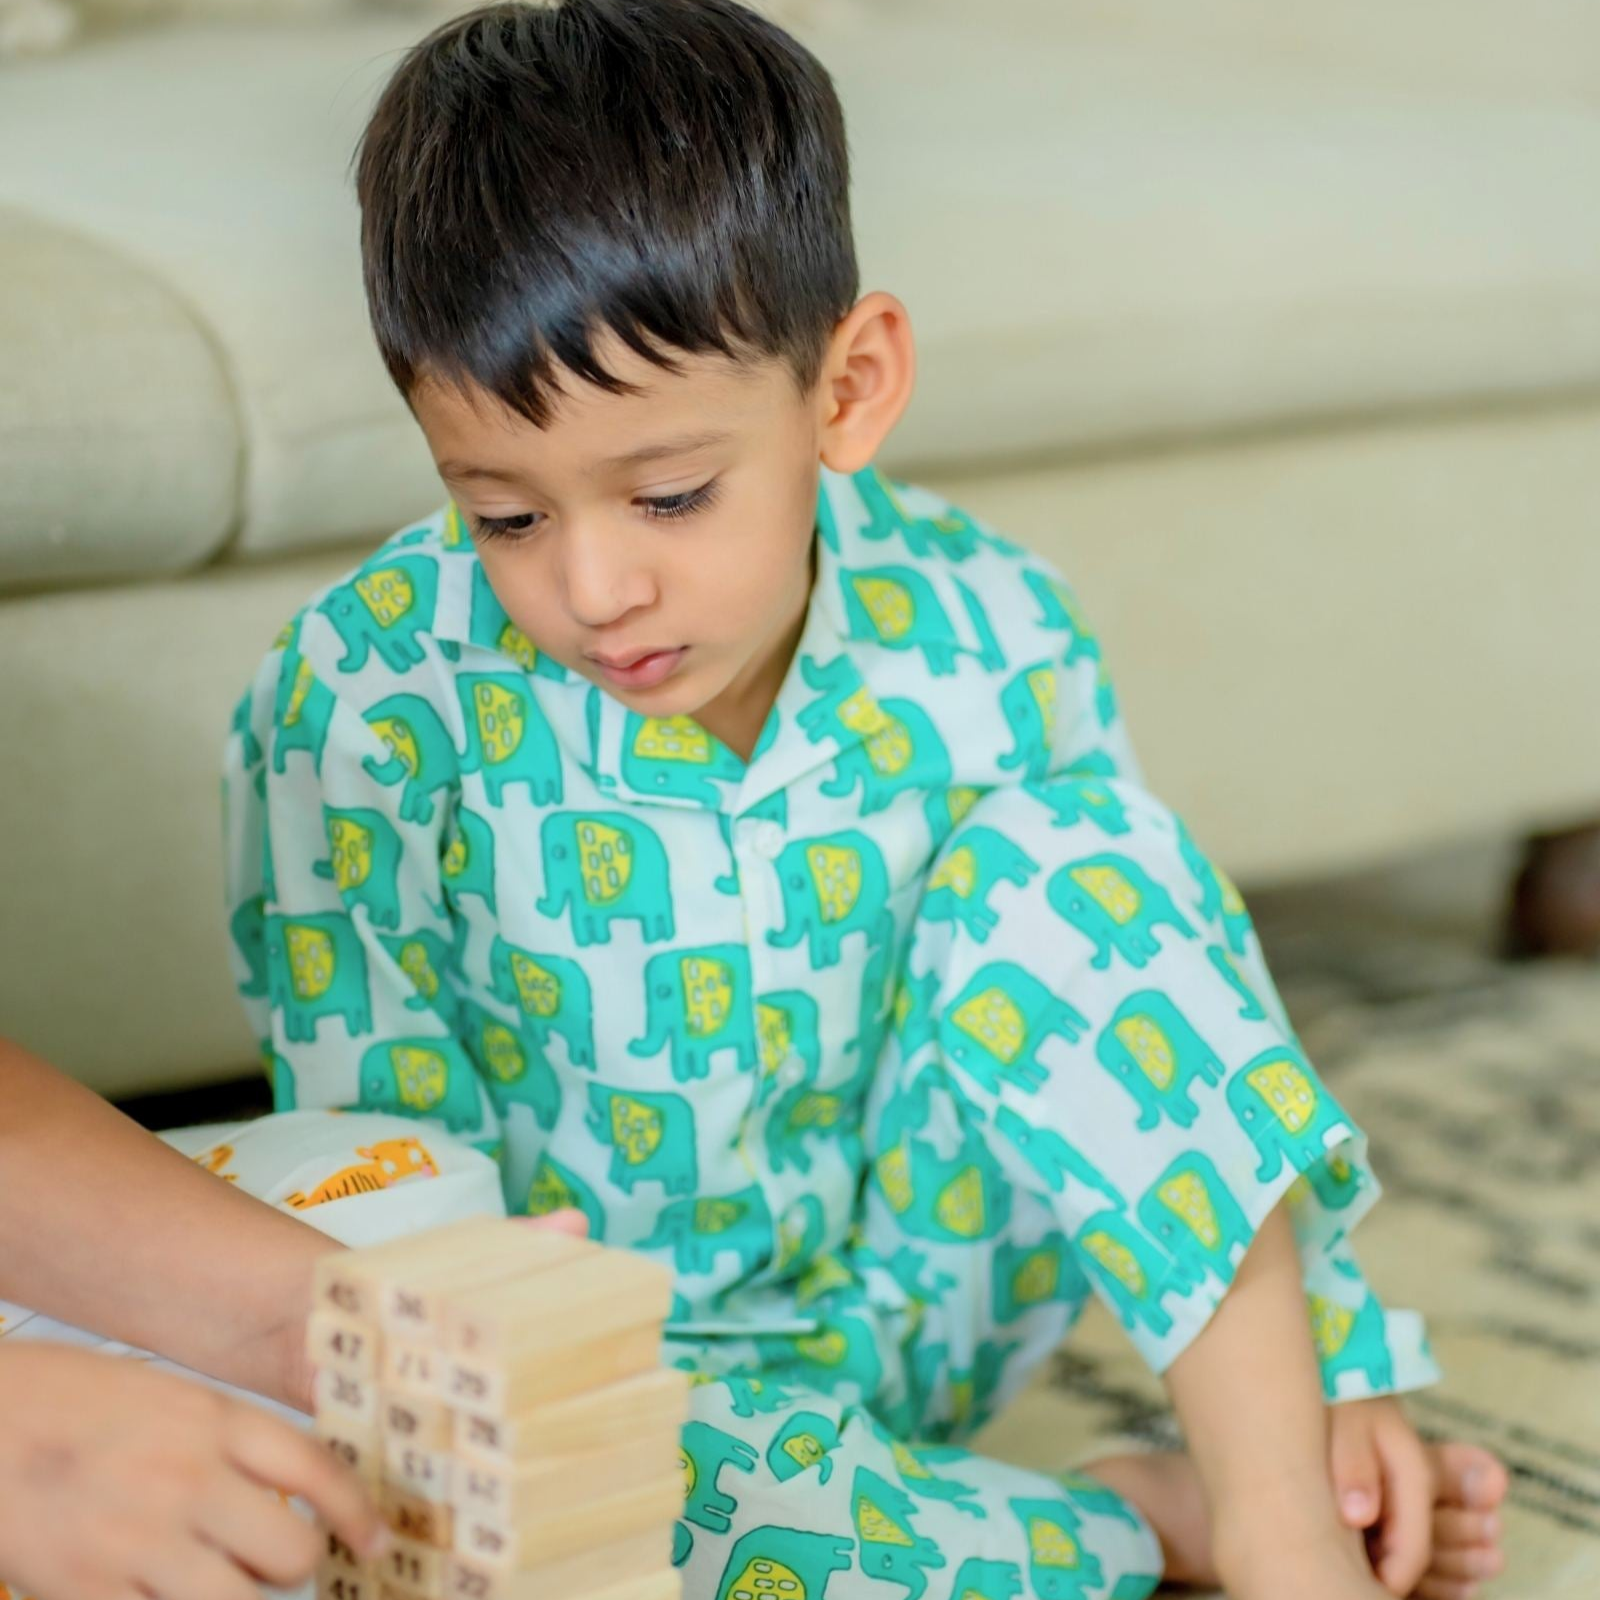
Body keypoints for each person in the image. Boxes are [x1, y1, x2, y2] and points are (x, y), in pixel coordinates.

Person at [214, 3, 1511, 1598]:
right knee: (612, 1538)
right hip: (627, 1381)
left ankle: (1271, 1492)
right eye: (502, 515)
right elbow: (384, 1185)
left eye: (670, 495)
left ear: (851, 388)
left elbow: (1163, 1014)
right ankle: (1130, 1528)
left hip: (923, 1284)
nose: (594, 585)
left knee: (1072, 860)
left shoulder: (991, 628)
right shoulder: (355, 707)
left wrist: (1338, 1353)